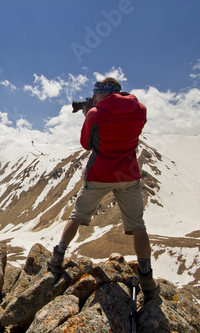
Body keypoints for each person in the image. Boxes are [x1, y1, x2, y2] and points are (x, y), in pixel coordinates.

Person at [48, 77, 159, 302]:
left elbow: (86, 144)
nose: (93, 98)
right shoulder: (140, 110)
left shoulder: (95, 114)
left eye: (95, 94)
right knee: (138, 226)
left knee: (77, 217)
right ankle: (146, 279)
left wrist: (89, 113)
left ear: (102, 94)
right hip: (128, 175)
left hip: (99, 175)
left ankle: (57, 259)